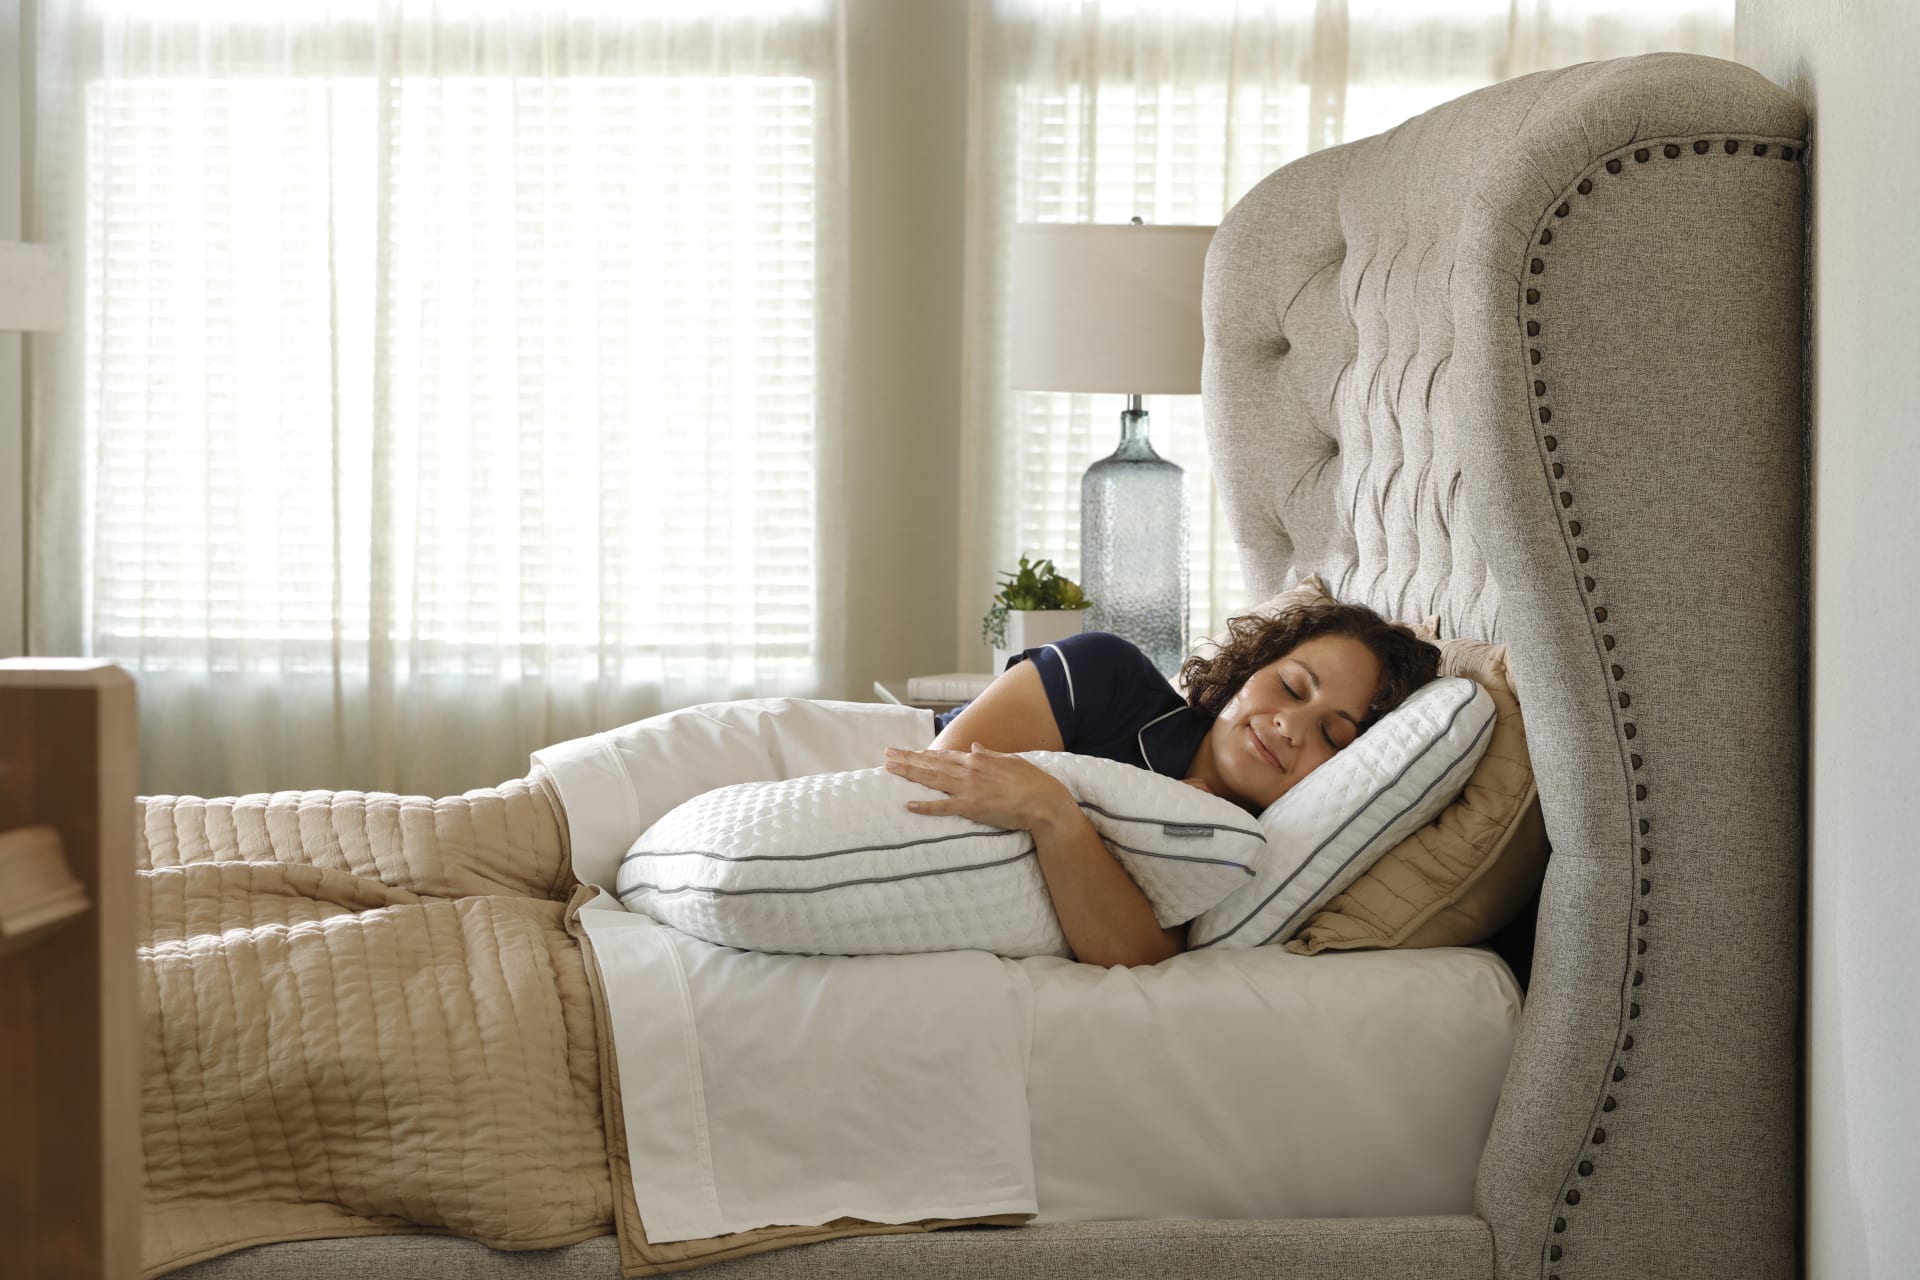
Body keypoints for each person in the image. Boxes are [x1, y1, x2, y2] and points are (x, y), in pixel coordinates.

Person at [882, 598, 1440, 968]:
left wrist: (1058, 816)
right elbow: (938, 787)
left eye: (1333, 737)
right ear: (1249, 669)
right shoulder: (1108, 675)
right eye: (1292, 688)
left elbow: (1136, 954)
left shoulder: (1241, 855)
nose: (1290, 727)